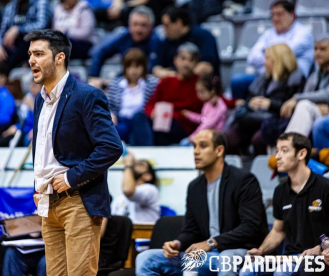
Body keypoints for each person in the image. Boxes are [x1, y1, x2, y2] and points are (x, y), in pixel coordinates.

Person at [26, 29, 122, 275]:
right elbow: (45, 151)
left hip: (79, 200)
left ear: (59, 58)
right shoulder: (40, 99)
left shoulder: (87, 96)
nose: (31, 60)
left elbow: (111, 147)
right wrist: (38, 185)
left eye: (38, 54)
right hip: (49, 204)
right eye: (30, 54)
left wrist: (70, 177)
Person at [136, 129, 268, 276]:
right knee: (146, 259)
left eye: (203, 146)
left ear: (219, 150)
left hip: (239, 251)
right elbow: (191, 230)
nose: (196, 152)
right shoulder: (195, 187)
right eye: (194, 146)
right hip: (207, 256)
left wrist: (211, 243)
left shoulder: (243, 180)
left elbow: (250, 227)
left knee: (226, 258)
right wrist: (177, 243)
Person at [240, 132, 329, 276]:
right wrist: (261, 250)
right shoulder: (280, 190)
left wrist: (320, 248)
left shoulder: (325, 187)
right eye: (277, 151)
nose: (277, 157)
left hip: (317, 257)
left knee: (281, 272)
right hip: (290, 257)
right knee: (248, 270)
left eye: (284, 150)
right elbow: (278, 231)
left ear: (301, 154)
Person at [224, 43, 304, 155]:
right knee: (228, 137)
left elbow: (292, 109)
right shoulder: (264, 78)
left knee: (259, 139)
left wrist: (270, 104)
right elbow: (250, 96)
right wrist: (252, 102)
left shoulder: (295, 80)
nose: (264, 62)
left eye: (267, 59)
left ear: (278, 60)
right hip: (254, 119)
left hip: (276, 121)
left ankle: (262, 169)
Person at [231, 0, 314, 99]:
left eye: (279, 14)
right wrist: (271, 60)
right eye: (273, 15)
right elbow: (252, 57)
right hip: (267, 77)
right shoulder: (268, 33)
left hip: (291, 80)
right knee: (238, 81)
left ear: (292, 15)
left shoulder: (303, 32)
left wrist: (266, 54)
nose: (275, 18)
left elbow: (284, 56)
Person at [133, 42, 203, 146]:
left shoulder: (201, 83)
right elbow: (150, 104)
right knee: (138, 117)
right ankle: (146, 153)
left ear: (196, 63)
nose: (186, 64)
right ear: (176, 60)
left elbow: (215, 101)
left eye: (191, 60)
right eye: (183, 59)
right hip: (160, 121)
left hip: (183, 126)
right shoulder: (166, 82)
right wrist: (152, 111)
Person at [88, 6, 159, 88]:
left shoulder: (156, 41)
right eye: (135, 24)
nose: (138, 29)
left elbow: (153, 68)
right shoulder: (125, 37)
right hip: (125, 79)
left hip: (147, 84)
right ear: (129, 24)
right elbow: (100, 53)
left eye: (143, 25)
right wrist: (93, 77)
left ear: (151, 26)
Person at [283, 34, 329, 150]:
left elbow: (326, 95)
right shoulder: (313, 76)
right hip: (319, 113)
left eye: (323, 49)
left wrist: (296, 98)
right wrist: (316, 105)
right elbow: (307, 98)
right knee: (302, 107)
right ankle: (288, 150)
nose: (318, 53)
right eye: (315, 49)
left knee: (304, 105)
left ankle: (289, 150)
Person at [150, 6, 220, 78]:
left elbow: (207, 67)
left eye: (167, 25)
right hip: (173, 82)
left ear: (178, 22)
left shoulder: (204, 36)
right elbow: (156, 68)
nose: (164, 29)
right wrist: (174, 76)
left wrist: (181, 76)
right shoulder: (167, 40)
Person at [107, 48, 159, 143]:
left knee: (138, 119)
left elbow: (157, 101)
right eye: (129, 67)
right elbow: (108, 106)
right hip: (121, 122)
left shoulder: (152, 83)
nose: (133, 71)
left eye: (137, 66)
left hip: (143, 122)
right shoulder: (116, 84)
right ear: (124, 68)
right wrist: (111, 114)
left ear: (144, 67)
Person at [0, 0, 51, 70]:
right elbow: (2, 31)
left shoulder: (41, 2)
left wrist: (18, 29)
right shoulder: (10, 6)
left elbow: (42, 26)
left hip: (33, 44)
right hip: (13, 47)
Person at [180, 73, 227, 145]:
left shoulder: (218, 106)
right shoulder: (207, 104)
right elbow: (203, 119)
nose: (198, 95)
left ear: (212, 91)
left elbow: (207, 124)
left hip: (214, 141)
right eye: (197, 91)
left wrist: (193, 137)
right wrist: (190, 115)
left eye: (201, 92)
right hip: (206, 136)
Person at [111, 152, 159, 223]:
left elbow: (128, 191)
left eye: (140, 164)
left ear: (148, 176)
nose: (134, 164)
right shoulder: (119, 199)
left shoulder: (150, 190)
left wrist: (128, 165)